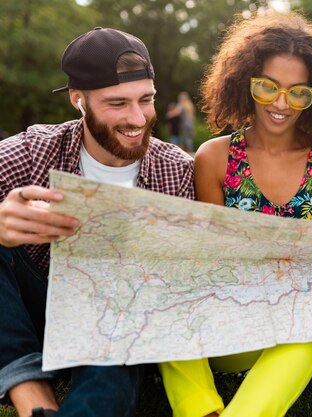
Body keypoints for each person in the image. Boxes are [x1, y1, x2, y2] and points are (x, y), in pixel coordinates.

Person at [158, 12, 312, 417]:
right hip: (238, 329)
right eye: (267, 87)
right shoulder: (214, 158)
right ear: (245, 83)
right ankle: (201, 411)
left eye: (298, 92)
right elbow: (210, 262)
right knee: (163, 286)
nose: (281, 104)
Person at [0, 27, 195, 417]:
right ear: (79, 100)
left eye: (147, 99)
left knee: (120, 337)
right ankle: (31, 395)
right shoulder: (34, 150)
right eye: (117, 103)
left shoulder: (179, 172)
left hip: (118, 321)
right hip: (33, 311)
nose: (137, 118)